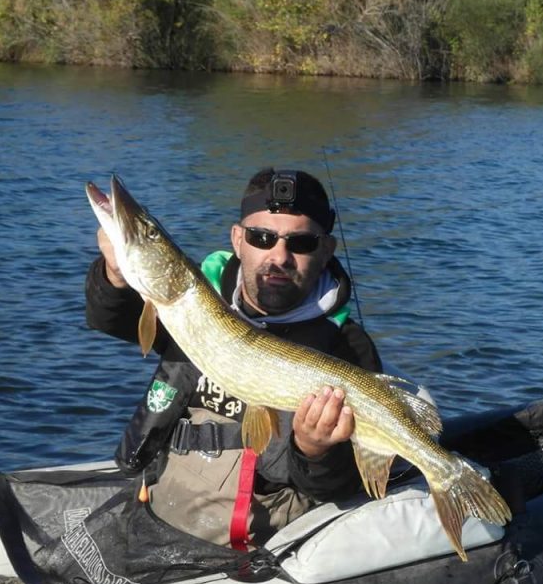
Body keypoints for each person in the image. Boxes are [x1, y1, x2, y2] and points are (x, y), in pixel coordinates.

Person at [85, 167, 382, 550]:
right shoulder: (189, 300)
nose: (280, 256)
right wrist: (115, 274)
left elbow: (337, 485)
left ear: (326, 251)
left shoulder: (346, 347)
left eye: (302, 243)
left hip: (260, 545)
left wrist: (315, 450)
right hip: (160, 510)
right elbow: (109, 316)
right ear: (238, 240)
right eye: (262, 237)